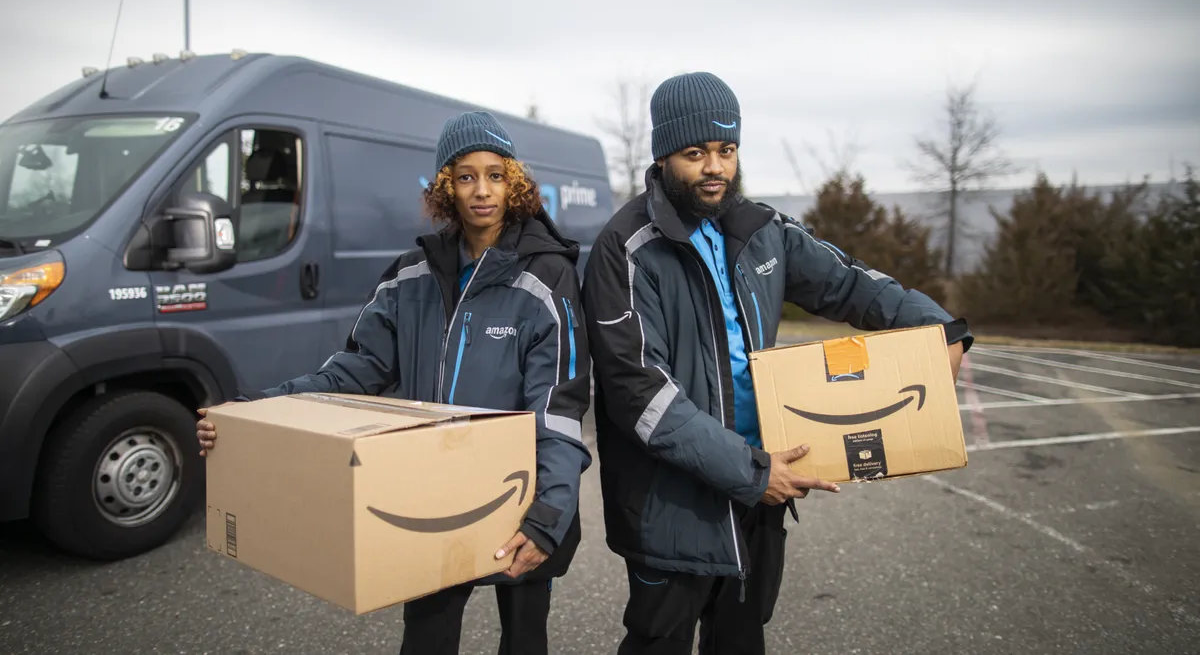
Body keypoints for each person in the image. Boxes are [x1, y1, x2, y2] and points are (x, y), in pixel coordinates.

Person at [581, 72, 973, 655]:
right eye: (696, 153)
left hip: (763, 490)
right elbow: (639, 392)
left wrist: (940, 327)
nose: (715, 167)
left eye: (727, 149)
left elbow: (849, 284)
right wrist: (752, 473)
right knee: (657, 642)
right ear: (663, 156)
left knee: (741, 640)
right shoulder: (626, 248)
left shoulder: (763, 230)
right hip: (671, 505)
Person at [196, 111, 592, 655]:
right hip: (429, 494)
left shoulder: (547, 277)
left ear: (515, 183)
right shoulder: (409, 277)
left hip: (518, 494)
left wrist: (549, 514)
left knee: (524, 638)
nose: (482, 191)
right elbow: (348, 373)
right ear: (444, 187)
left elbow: (559, 405)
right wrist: (252, 411)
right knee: (426, 639)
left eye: (496, 175)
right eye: (466, 176)